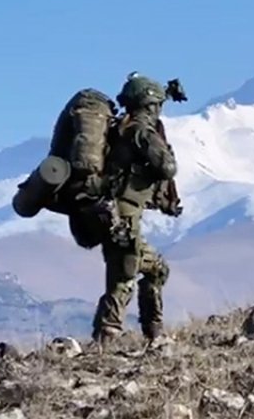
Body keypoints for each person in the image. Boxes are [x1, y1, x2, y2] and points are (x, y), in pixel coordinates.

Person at [91, 72, 182, 344]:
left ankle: (151, 331)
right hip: (122, 215)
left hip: (111, 212)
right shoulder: (140, 131)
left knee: (148, 270)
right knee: (125, 274)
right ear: (150, 105)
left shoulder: (122, 128)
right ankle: (110, 337)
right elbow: (166, 166)